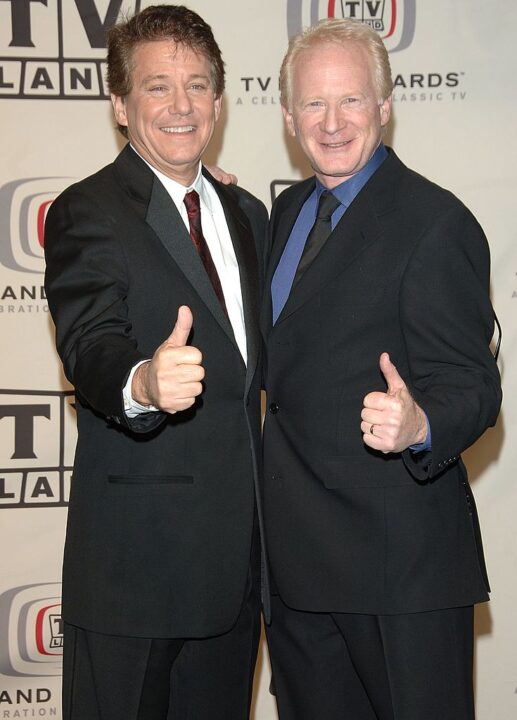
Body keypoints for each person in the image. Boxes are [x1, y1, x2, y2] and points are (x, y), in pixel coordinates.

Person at [261, 18, 502, 720]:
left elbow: (474, 386)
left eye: (351, 101)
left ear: (385, 105)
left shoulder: (434, 222)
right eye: (313, 103)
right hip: (296, 571)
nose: (331, 123)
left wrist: (420, 422)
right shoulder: (283, 213)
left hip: (399, 571)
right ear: (286, 116)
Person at [44, 5, 268, 719]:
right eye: (157, 86)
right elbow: (91, 342)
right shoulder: (88, 210)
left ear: (219, 102)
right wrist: (142, 381)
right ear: (119, 104)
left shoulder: (248, 217)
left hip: (236, 574)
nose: (180, 105)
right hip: (134, 574)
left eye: (197, 85)